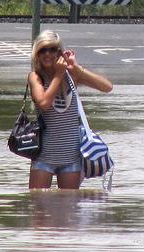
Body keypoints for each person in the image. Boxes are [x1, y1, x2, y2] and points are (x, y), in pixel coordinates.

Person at [27, 30, 113, 189]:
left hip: (71, 156)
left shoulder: (70, 75)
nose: (47, 54)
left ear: (59, 52)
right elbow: (44, 103)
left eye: (52, 49)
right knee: (37, 206)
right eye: (43, 50)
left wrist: (77, 69)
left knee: (69, 207)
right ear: (37, 54)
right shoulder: (35, 77)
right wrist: (58, 75)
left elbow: (107, 87)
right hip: (44, 156)